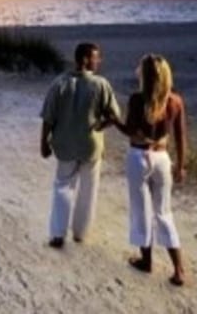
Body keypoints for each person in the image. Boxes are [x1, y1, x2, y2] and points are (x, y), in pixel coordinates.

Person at [114, 54, 187, 286]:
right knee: (164, 212)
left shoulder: (137, 100)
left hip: (138, 156)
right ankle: (179, 270)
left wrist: (113, 121)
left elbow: (130, 131)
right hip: (162, 158)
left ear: (144, 75)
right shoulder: (175, 101)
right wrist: (181, 165)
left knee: (141, 210)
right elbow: (180, 136)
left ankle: (146, 262)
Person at [40, 42, 121, 248]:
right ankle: (80, 233)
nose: (99, 61)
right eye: (96, 57)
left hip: (65, 143)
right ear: (86, 59)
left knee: (62, 186)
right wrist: (101, 125)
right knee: (88, 189)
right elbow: (114, 115)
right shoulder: (101, 84)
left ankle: (58, 234)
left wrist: (44, 142)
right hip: (90, 144)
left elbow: (48, 117)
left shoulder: (59, 83)